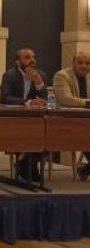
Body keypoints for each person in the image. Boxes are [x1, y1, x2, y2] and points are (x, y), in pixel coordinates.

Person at [0, 47, 47, 181]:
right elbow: (5, 98)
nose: (32, 60)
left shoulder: (40, 74)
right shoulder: (9, 75)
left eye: (33, 57)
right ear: (17, 62)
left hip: (34, 119)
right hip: (13, 118)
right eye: (27, 57)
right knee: (35, 132)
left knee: (51, 133)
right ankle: (28, 166)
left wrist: (39, 83)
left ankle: (26, 163)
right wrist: (28, 102)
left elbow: (45, 99)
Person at [53, 52, 90, 180]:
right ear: (73, 63)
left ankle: (85, 169)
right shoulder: (62, 76)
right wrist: (88, 103)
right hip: (65, 121)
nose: (84, 66)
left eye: (87, 63)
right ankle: (84, 170)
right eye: (80, 63)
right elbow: (66, 99)